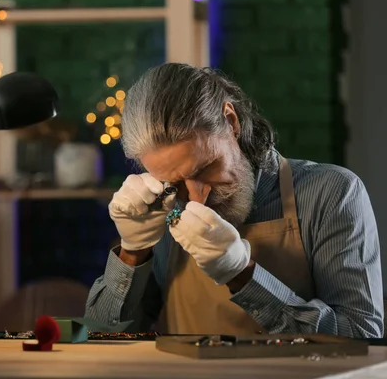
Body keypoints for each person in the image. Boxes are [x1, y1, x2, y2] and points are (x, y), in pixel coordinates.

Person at [85, 63, 384, 338]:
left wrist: (242, 275)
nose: (198, 201)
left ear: (231, 121)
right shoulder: (160, 210)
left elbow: (361, 338)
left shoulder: (331, 193)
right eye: (174, 183)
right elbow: (99, 336)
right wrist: (132, 252)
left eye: (205, 168)